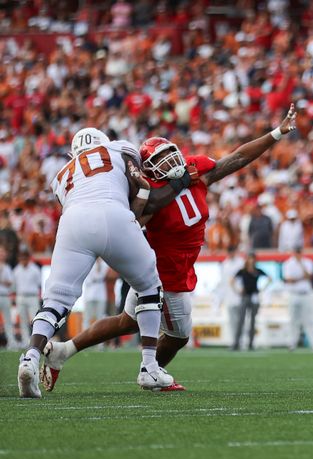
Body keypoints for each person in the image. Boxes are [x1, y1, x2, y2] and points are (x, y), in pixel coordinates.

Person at [41, 106, 297, 393]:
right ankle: (150, 371)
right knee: (178, 336)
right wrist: (158, 192)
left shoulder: (195, 170)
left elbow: (237, 157)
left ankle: (63, 351)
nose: (170, 161)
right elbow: (135, 218)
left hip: (179, 267)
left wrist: (276, 133)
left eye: (170, 153)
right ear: (147, 168)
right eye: (160, 159)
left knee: (127, 322)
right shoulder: (146, 192)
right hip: (163, 273)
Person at [17, 127, 169, 398]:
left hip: (73, 220)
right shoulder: (119, 148)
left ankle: (30, 356)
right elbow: (140, 185)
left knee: (56, 299)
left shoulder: (61, 174)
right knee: (149, 287)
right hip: (113, 212)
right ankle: (149, 366)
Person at [282, 245, 313, 351]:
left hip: (306, 294)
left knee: (309, 320)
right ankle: (292, 343)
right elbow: (288, 279)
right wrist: (301, 278)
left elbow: (309, 276)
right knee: (293, 320)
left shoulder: (308, 262)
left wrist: (301, 266)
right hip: (293, 294)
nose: (298, 254)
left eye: (299, 252)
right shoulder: (288, 263)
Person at [231, 253, 269, 351]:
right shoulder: (242, 271)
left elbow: (269, 279)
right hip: (245, 297)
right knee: (241, 321)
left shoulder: (257, 271)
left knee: (253, 321)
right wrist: (237, 290)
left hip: (254, 297)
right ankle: (236, 343)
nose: (251, 261)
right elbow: (232, 280)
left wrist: (262, 289)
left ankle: (251, 344)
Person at [12, 248, 40, 344]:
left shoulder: (35, 269)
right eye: (21, 257)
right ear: (19, 258)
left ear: (28, 257)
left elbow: (39, 283)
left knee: (35, 320)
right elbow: (14, 286)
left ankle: (35, 341)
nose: (23, 259)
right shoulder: (16, 270)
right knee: (23, 320)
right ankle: (25, 341)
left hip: (32, 296)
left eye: (25, 257)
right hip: (21, 297)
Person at [81, 258, 110, 332]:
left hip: (100, 294)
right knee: (87, 318)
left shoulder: (104, 263)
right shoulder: (88, 262)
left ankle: (100, 341)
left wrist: (99, 264)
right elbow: (88, 278)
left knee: (100, 317)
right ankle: (85, 339)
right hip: (89, 295)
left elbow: (102, 275)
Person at [0, 247, 15, 348]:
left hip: (5, 296)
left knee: (8, 321)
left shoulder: (7, 267)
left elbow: (10, 283)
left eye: (3, 253)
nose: (2, 254)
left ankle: (11, 342)